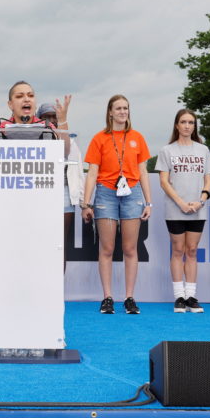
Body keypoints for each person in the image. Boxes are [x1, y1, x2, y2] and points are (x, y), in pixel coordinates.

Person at [81, 94, 152, 315]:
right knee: (107, 248)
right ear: (110, 112)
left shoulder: (137, 137)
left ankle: (129, 298)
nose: (122, 112)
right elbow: (92, 172)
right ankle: (107, 298)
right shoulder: (99, 138)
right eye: (118, 108)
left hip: (132, 193)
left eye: (126, 108)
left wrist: (149, 202)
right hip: (105, 193)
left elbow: (143, 172)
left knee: (130, 248)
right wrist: (86, 203)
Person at [157, 109, 210, 313]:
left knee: (192, 250)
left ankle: (191, 295)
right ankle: (179, 297)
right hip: (175, 208)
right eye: (183, 122)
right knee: (178, 250)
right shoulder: (167, 150)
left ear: (194, 126)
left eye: (191, 122)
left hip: (197, 208)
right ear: (177, 125)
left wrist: (201, 199)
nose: (187, 126)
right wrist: (181, 203)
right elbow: (164, 181)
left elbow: (208, 178)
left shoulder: (203, 150)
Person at [36, 102, 84, 271]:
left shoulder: (70, 141)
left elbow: (78, 171)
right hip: (39, 194)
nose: (50, 120)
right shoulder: (33, 140)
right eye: (46, 117)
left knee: (60, 244)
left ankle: (57, 292)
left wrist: (84, 202)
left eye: (53, 116)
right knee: (39, 242)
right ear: (39, 119)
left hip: (64, 194)